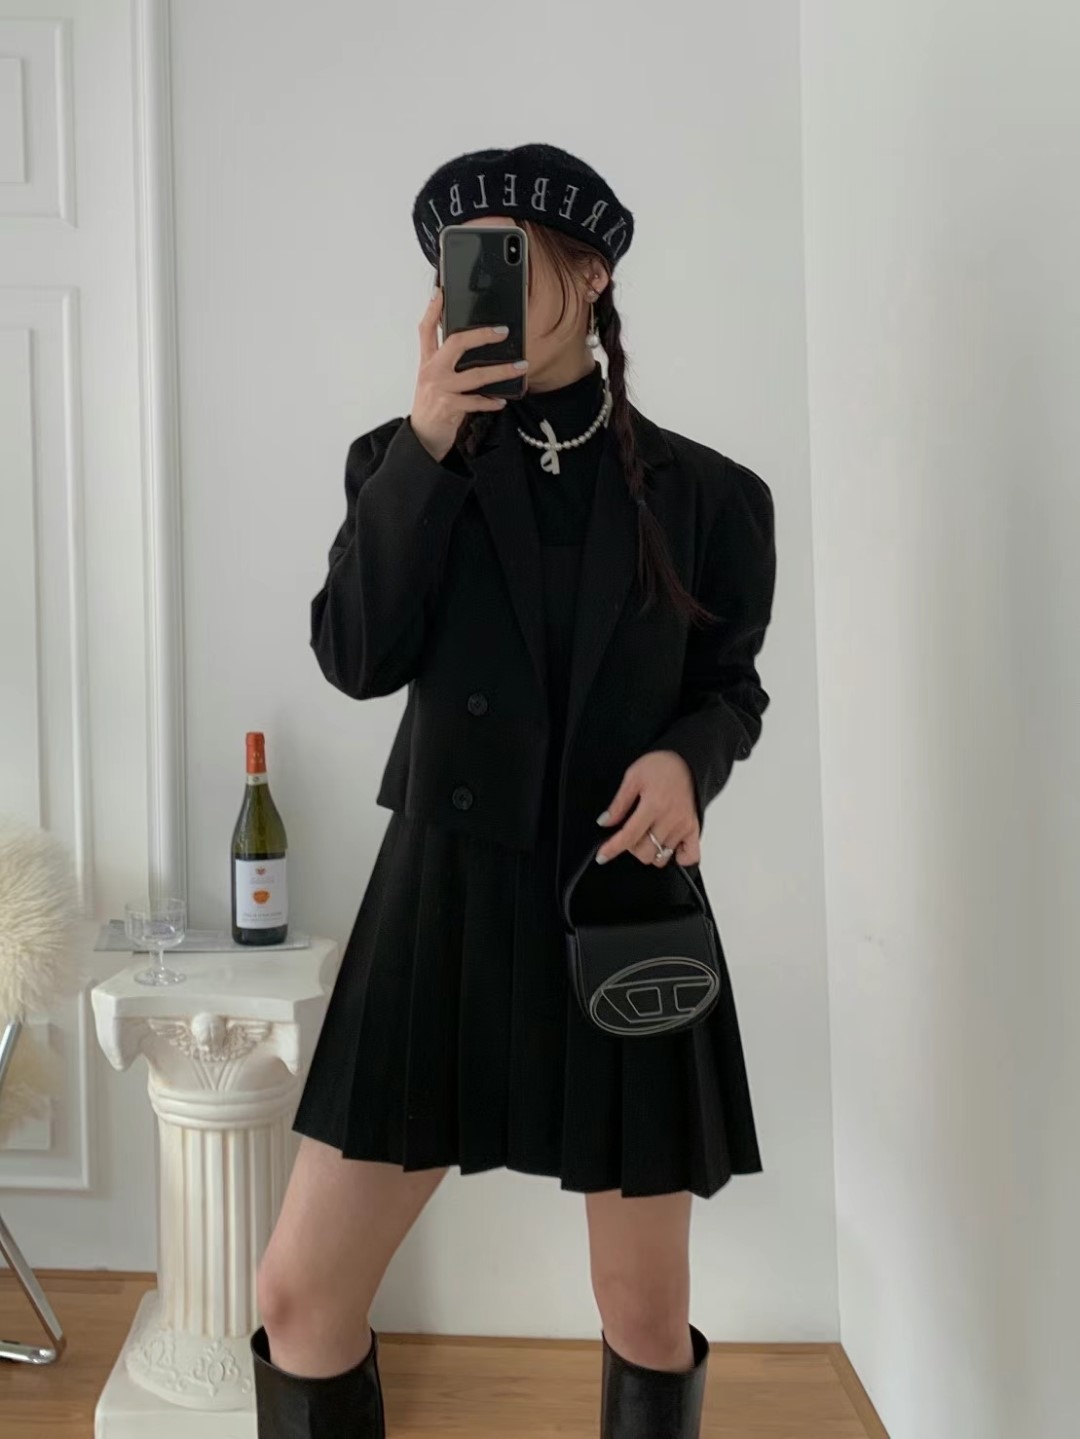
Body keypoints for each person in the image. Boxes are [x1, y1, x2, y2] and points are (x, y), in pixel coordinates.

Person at [247, 143, 777, 1439]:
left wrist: (688, 760)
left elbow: (729, 690)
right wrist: (428, 444)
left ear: (591, 275)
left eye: (508, 257)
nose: (472, 287)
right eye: (458, 263)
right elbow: (355, 657)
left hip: (621, 900)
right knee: (300, 1296)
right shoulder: (400, 464)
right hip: (442, 899)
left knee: (644, 1310)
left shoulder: (710, 497)